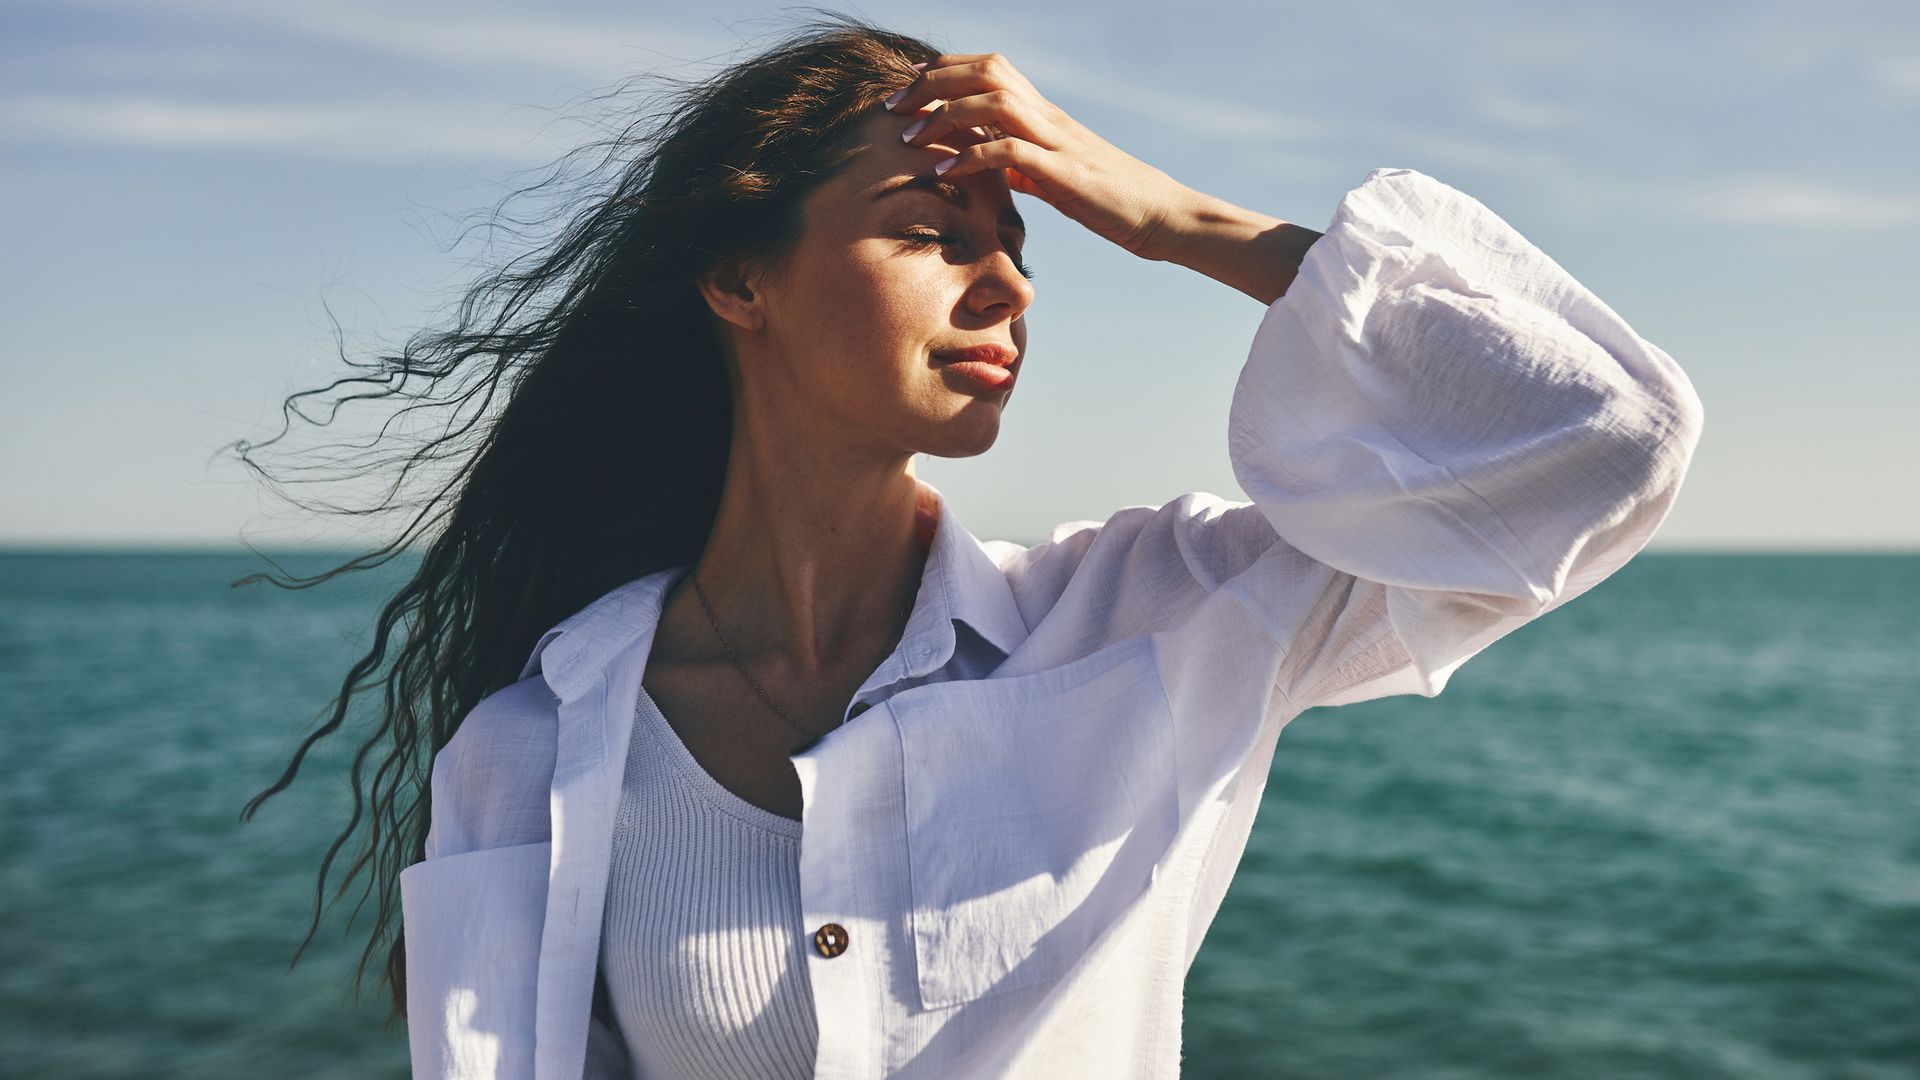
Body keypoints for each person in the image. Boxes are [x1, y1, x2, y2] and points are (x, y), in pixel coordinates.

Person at [239, 15, 1704, 1080]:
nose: (1007, 276)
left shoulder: (1160, 623)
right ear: (740, 276)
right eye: (936, 229)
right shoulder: (535, 749)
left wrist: (1174, 219)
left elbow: (1604, 439)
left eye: (1028, 239)